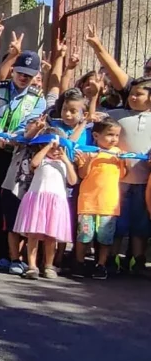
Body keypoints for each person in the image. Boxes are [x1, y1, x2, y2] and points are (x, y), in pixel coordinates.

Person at [0, 42, 47, 271]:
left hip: (17, 157)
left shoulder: (37, 98)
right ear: (13, 70)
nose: (24, 78)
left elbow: (30, 124)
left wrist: (12, 138)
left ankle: (13, 255)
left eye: (29, 75)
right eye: (21, 73)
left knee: (11, 205)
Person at [13, 133, 77, 280]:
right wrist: (48, 145)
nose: (56, 151)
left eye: (59, 148)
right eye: (53, 148)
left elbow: (73, 181)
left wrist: (66, 160)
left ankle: (49, 265)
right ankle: (32, 265)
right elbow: (34, 164)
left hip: (55, 203)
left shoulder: (63, 164)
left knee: (51, 236)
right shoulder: (42, 161)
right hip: (38, 199)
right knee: (33, 234)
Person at [108, 78, 151, 274]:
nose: (133, 97)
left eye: (139, 94)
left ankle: (137, 260)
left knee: (141, 224)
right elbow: (95, 121)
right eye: (131, 93)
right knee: (117, 223)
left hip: (145, 184)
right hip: (119, 181)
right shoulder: (117, 115)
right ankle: (111, 258)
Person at [74, 118, 125, 280]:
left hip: (109, 204)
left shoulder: (117, 153)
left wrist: (124, 161)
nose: (114, 139)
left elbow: (123, 175)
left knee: (105, 237)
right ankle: (79, 262)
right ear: (96, 135)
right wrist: (90, 158)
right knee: (84, 235)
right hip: (88, 202)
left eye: (117, 135)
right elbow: (82, 175)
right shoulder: (88, 151)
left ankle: (101, 265)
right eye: (110, 135)